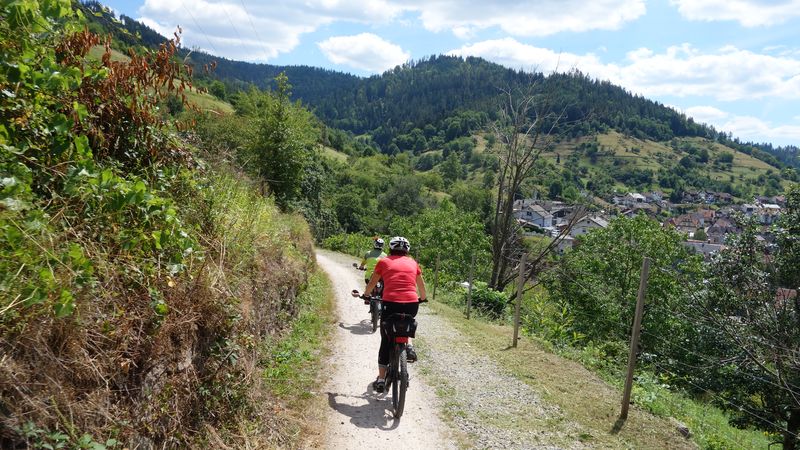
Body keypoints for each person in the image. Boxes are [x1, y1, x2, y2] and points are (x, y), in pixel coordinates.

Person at [356, 236, 426, 393]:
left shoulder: (384, 262)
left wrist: (366, 295)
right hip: (411, 304)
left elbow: (373, 282)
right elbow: (421, 285)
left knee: (386, 340)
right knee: (407, 322)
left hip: (390, 303)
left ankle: (381, 379)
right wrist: (422, 298)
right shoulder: (413, 263)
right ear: (407, 250)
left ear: (391, 248)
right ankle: (408, 346)